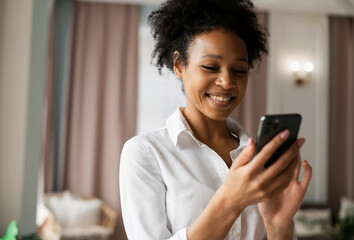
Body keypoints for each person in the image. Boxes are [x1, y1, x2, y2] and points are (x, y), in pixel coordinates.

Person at [119, 0, 312, 239]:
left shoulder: (256, 158)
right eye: (211, 66)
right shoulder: (145, 153)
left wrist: (278, 225)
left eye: (239, 71)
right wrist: (230, 200)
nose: (227, 82)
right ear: (179, 65)